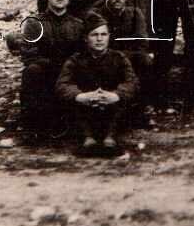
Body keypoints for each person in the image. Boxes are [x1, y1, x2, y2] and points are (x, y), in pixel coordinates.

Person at [56, 12, 138, 154]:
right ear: (86, 38)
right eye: (94, 35)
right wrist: (81, 96)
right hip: (86, 109)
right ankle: (87, 137)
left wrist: (116, 95)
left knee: (126, 101)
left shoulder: (119, 58)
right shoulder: (75, 60)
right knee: (71, 103)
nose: (99, 39)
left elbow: (132, 82)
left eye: (103, 34)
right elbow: (62, 85)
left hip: (112, 108)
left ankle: (110, 136)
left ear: (109, 37)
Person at [13, 0, 84, 136]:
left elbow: (82, 54)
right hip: (46, 73)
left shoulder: (78, 25)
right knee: (32, 71)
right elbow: (29, 55)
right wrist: (53, 65)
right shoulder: (34, 23)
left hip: (70, 75)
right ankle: (32, 124)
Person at [91, 0, 153, 114]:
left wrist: (124, 57)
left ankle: (141, 106)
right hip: (103, 59)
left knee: (144, 60)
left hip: (127, 59)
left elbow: (142, 43)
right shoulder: (96, 14)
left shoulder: (135, 14)